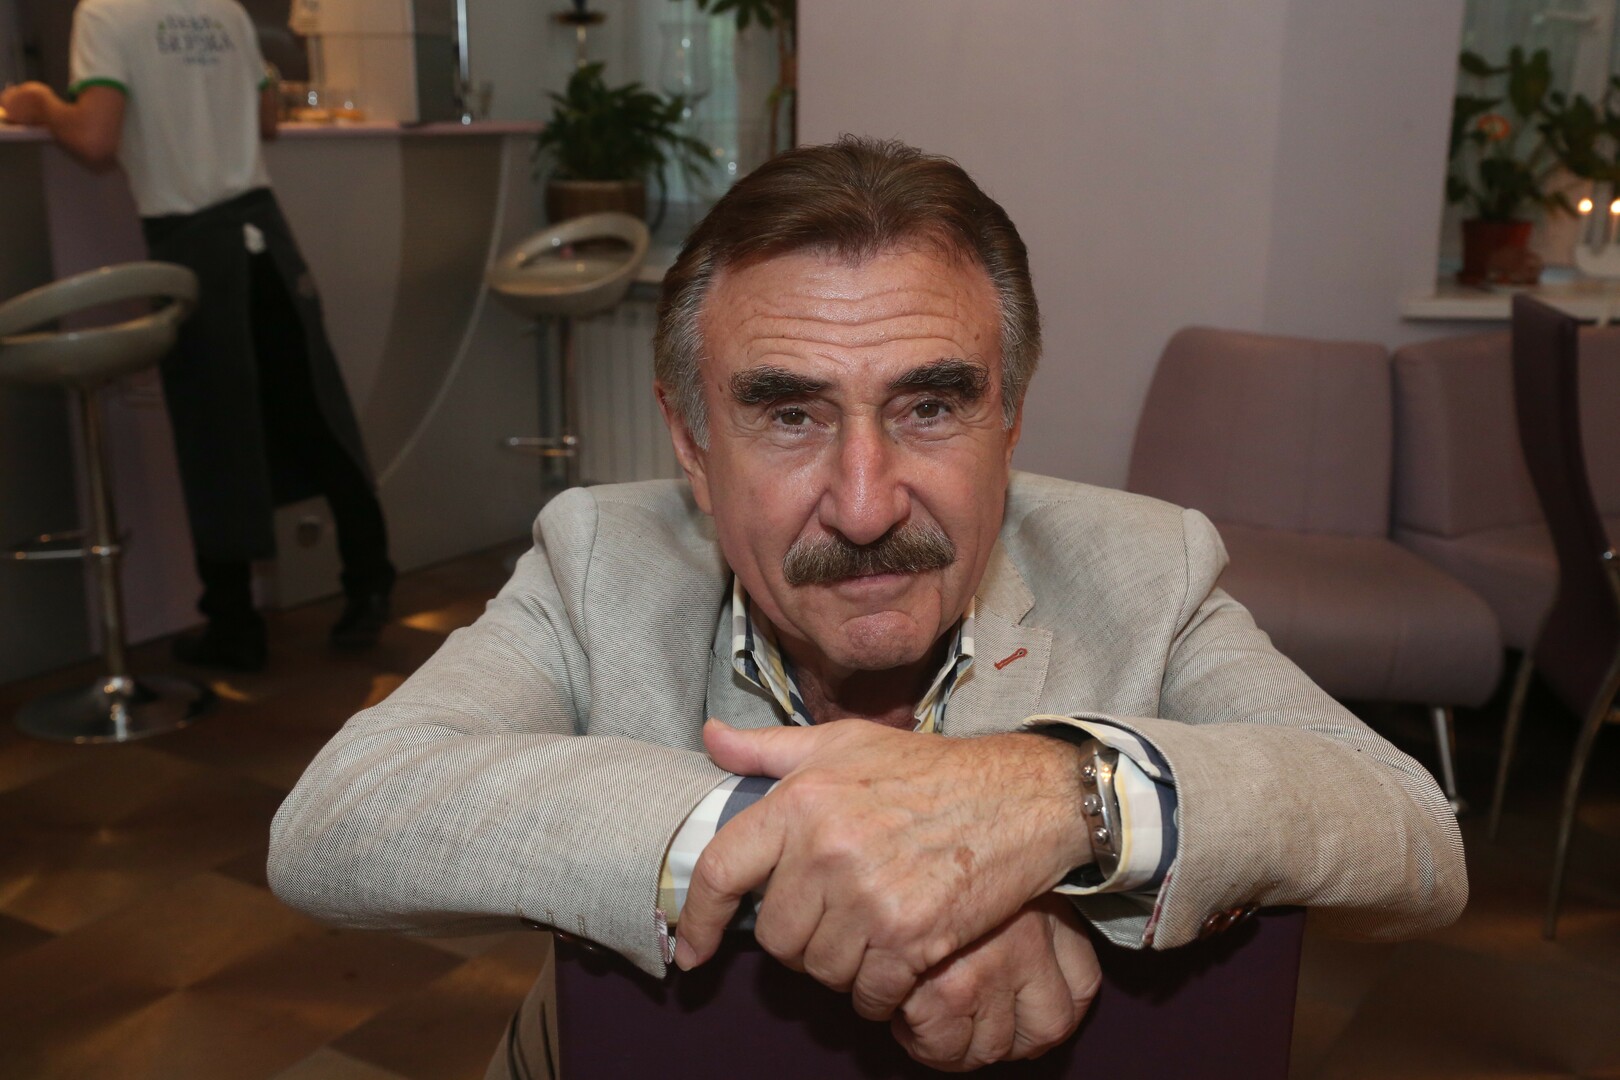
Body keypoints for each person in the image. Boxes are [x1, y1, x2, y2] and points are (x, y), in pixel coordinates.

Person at [267, 137, 1467, 1075]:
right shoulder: (598, 561)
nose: (863, 502)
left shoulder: (1145, 568)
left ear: (1011, 419)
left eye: (930, 407)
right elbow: (340, 817)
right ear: (690, 440)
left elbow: (1411, 830)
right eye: (789, 415)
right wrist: (822, 839)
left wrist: (1058, 800)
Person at [0, 0, 394, 672]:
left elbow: (95, 137)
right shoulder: (226, 10)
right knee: (313, 411)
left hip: (192, 243)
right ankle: (370, 580)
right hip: (265, 235)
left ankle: (235, 627)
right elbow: (266, 117)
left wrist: (39, 103)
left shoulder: (105, 13)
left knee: (215, 433)